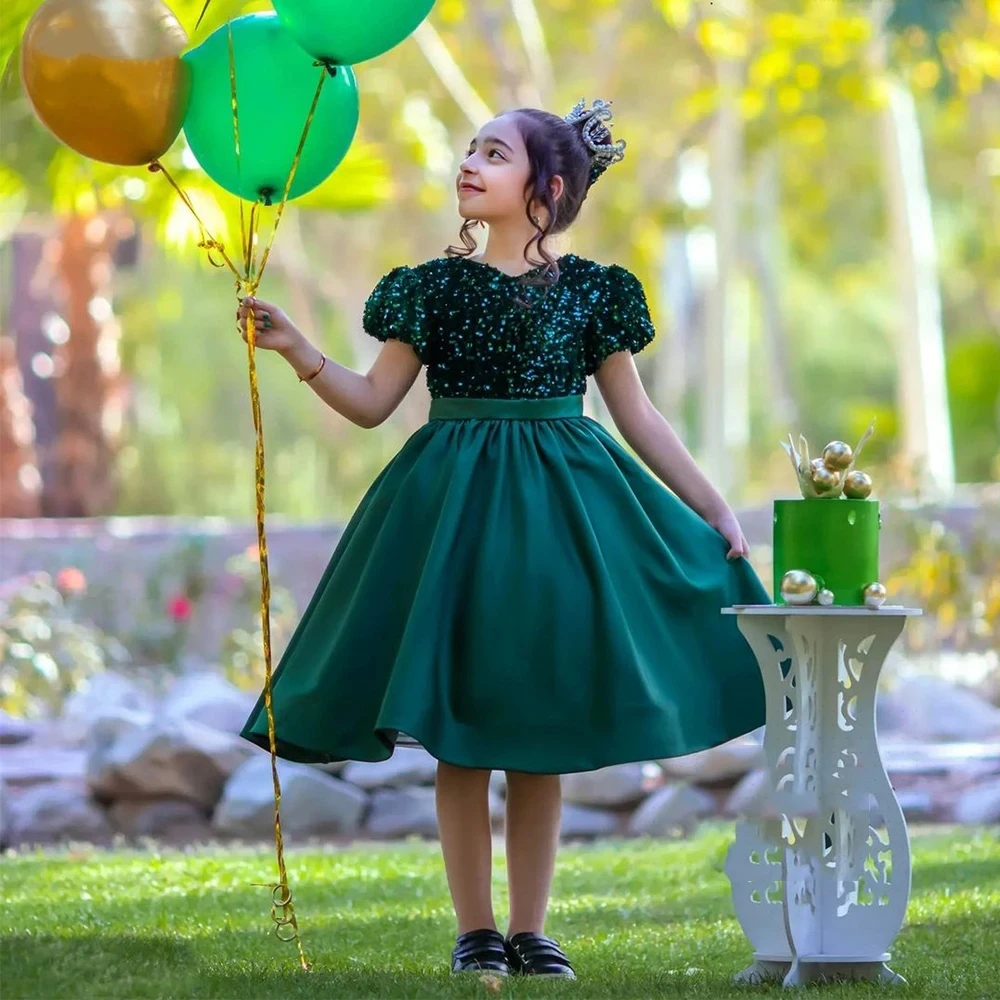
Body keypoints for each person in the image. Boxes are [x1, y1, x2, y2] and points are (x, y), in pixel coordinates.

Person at [237, 98, 770, 981]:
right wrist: (298, 349)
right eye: (471, 150)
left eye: (495, 153)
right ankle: (475, 930)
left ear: (546, 188)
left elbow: (635, 414)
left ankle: (532, 930)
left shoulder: (595, 293)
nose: (470, 163)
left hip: (564, 522)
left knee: (537, 726)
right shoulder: (431, 289)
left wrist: (712, 505)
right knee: (465, 728)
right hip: (452, 521)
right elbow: (373, 404)